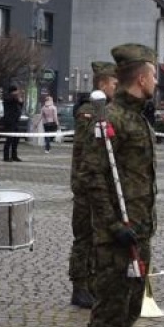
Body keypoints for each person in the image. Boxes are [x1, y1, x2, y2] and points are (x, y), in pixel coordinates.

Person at [76, 43, 161, 327]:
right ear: (142, 78)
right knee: (110, 306)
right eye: (155, 74)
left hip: (139, 227)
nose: (156, 80)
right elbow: (91, 177)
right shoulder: (108, 118)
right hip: (116, 232)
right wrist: (112, 224)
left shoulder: (138, 116)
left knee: (130, 305)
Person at [67, 61, 117, 308]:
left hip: (99, 184)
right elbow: (90, 147)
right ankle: (79, 286)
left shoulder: (105, 109)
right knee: (84, 236)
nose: (116, 88)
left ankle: (93, 282)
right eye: (114, 84)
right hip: (86, 184)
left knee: (98, 236)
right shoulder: (89, 111)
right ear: (103, 84)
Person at [0, 86, 24, 162]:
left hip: (16, 121)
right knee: (9, 139)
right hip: (10, 122)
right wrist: (16, 96)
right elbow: (11, 100)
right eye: (15, 91)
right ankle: (6, 157)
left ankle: (14, 155)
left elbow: (20, 105)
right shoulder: (8, 98)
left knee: (16, 139)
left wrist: (20, 101)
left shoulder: (16, 99)